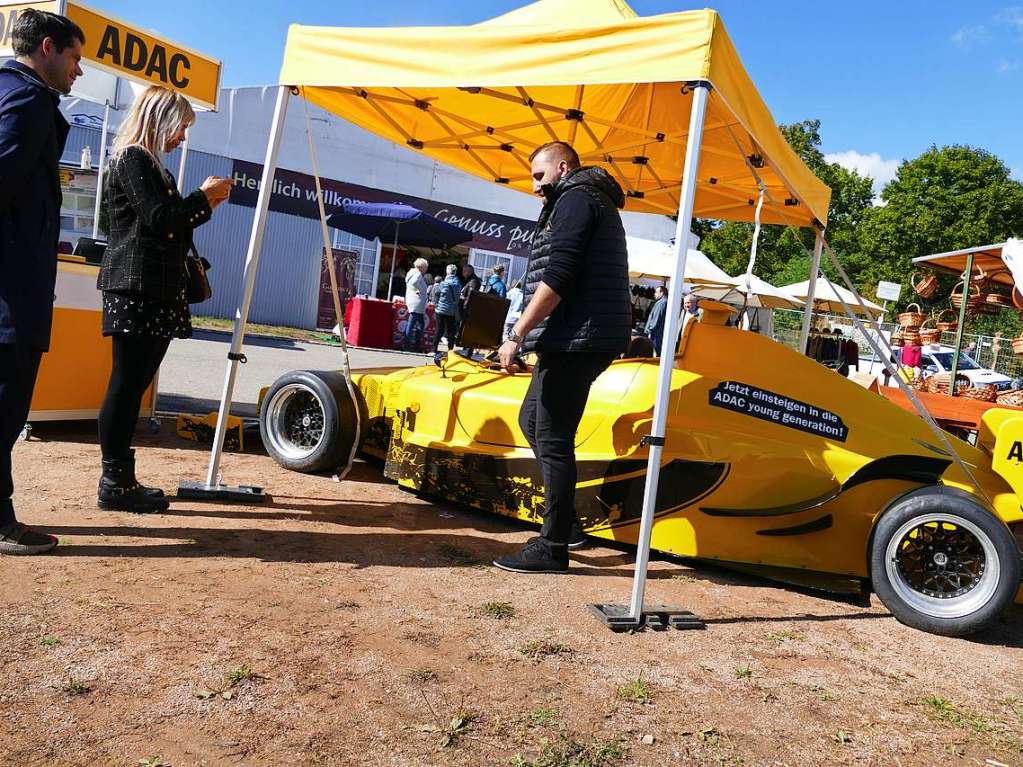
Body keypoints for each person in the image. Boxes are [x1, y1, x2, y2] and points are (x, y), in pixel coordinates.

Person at [494, 140, 630, 574]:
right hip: (577, 336)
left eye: (539, 175)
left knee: (552, 435)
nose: (535, 186)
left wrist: (516, 334)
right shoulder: (583, 199)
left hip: (579, 338)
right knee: (532, 421)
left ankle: (553, 546)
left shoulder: (575, 199)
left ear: (563, 166)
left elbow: (558, 275)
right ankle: (565, 524)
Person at [96, 86, 232, 512]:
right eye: (180, 129)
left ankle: (120, 478)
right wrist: (203, 198)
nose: (182, 139)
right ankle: (115, 482)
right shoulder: (134, 159)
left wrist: (200, 204)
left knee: (132, 385)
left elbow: (164, 225)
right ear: (160, 119)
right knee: (126, 385)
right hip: (138, 289)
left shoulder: (148, 164)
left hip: (150, 290)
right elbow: (160, 222)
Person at [0, 9, 83, 554]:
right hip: (9, 292)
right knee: (4, 407)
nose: (79, 72)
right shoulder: (27, 102)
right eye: (76, 59)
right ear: (47, 47)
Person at [433, 264, 462, 353]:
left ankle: (434, 348)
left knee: (439, 329)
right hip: (452, 311)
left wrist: (436, 304)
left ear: (447, 272)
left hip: (441, 309)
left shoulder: (443, 283)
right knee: (451, 331)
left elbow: (436, 293)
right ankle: (450, 349)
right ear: (455, 272)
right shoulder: (458, 284)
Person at [404, 257, 429, 351]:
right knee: (416, 323)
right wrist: (421, 290)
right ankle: (411, 345)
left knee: (417, 323)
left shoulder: (411, 272)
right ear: (422, 267)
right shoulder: (418, 274)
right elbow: (414, 283)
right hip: (417, 301)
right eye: (426, 267)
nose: (426, 269)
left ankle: (412, 344)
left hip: (412, 300)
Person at [643, 285, 668, 354]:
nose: (655, 294)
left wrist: (649, 330)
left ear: (662, 293)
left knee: (654, 353)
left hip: (656, 335)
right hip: (658, 333)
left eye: (656, 292)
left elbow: (656, 319)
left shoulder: (661, 303)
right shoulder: (664, 302)